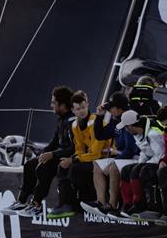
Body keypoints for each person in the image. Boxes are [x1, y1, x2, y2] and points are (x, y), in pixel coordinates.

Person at [10, 86, 74, 217]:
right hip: (57, 154)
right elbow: (54, 142)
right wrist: (41, 154)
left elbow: (74, 147)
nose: (51, 105)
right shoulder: (61, 120)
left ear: (62, 105)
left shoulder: (73, 121)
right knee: (30, 165)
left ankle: (36, 204)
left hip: (67, 156)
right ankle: (22, 201)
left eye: (53, 103)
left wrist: (52, 154)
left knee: (43, 167)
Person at [51, 90, 113, 217]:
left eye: (84, 107)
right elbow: (79, 149)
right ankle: (66, 204)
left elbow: (96, 154)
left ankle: (79, 204)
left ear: (88, 105)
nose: (82, 111)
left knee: (75, 168)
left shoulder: (96, 122)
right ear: (73, 111)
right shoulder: (75, 125)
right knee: (62, 166)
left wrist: (73, 160)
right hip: (92, 158)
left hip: (106, 157)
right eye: (78, 109)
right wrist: (73, 158)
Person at [115, 111, 165, 215]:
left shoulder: (153, 134)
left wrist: (142, 165)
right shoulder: (138, 134)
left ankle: (139, 204)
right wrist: (140, 163)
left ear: (130, 126)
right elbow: (145, 151)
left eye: (126, 127)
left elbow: (161, 155)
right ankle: (127, 204)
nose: (126, 130)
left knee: (138, 170)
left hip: (164, 162)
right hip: (154, 160)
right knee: (126, 169)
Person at [90, 114, 138, 214]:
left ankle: (112, 205)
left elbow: (130, 150)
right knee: (97, 164)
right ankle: (101, 202)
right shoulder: (116, 122)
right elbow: (99, 135)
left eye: (111, 108)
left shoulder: (131, 127)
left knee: (113, 168)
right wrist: (99, 117)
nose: (110, 111)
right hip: (121, 157)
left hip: (134, 158)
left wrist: (116, 160)